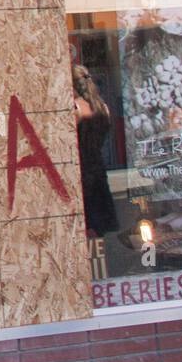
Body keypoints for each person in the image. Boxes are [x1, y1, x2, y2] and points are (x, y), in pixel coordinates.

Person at [73, 64, 120, 241]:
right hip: (98, 167)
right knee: (98, 223)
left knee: (88, 222)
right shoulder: (103, 107)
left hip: (83, 169)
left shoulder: (77, 109)